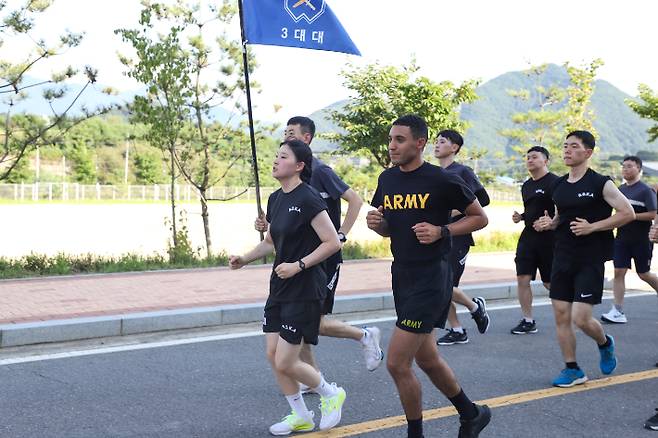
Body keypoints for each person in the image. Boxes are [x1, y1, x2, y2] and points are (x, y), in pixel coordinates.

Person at [367, 115, 490, 438]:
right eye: (391, 139)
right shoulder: (387, 179)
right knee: (428, 358)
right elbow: (388, 228)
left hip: (431, 277)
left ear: (419, 143)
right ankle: (472, 414)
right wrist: (379, 225)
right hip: (402, 275)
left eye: (400, 140)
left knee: (396, 363)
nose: (392, 146)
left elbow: (480, 217)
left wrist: (442, 231)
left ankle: (415, 434)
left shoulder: (441, 179)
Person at [255, 117, 383, 390]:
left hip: (323, 258)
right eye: (284, 134)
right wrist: (268, 227)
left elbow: (356, 200)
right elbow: (284, 226)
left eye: (292, 135)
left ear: (306, 139)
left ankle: (364, 336)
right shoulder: (286, 183)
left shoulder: (322, 172)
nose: (286, 139)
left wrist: (341, 233)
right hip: (299, 260)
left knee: (313, 321)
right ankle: (312, 379)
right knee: (298, 325)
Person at [230, 139, 346, 434]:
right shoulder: (275, 198)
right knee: (273, 355)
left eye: (283, 157)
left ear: (299, 166)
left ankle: (332, 394)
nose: (275, 161)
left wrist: (300, 265)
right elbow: (270, 242)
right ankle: (300, 415)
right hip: (279, 285)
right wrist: (244, 258)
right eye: (275, 156)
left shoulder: (309, 198)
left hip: (305, 287)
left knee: (286, 359)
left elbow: (332, 242)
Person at [534, 130, 634, 388]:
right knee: (561, 315)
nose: (567, 150)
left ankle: (604, 342)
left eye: (574, 146)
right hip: (562, 256)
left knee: (581, 318)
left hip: (590, 258)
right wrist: (550, 223)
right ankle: (573, 369)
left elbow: (627, 213)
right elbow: (560, 217)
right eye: (565, 146)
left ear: (588, 152)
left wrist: (593, 226)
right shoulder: (558, 185)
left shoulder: (601, 183)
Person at [433, 129, 491, 346]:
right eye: (435, 142)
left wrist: (457, 212)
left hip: (459, 235)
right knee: (442, 285)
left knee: (444, 283)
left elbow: (483, 199)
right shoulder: (434, 173)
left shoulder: (462, 171)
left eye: (442, 141)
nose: (437, 145)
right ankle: (457, 330)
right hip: (440, 234)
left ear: (455, 147)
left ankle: (475, 306)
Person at [601, 156, 658, 324]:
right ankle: (617, 311)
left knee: (643, 274)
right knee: (619, 271)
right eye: (623, 166)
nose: (625, 169)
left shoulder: (645, 190)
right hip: (622, 238)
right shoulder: (619, 190)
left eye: (629, 166)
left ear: (639, 169)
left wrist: (631, 216)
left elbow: (653, 213)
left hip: (641, 239)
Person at [510, 146, 559, 334]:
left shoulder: (555, 182)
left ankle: (569, 313)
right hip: (528, 236)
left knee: (549, 282)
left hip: (550, 239)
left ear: (545, 161)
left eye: (534, 157)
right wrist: (521, 217)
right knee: (523, 277)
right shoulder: (527, 185)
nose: (530, 160)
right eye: (527, 157)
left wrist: (551, 222)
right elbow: (532, 209)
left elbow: (563, 211)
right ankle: (528, 320)